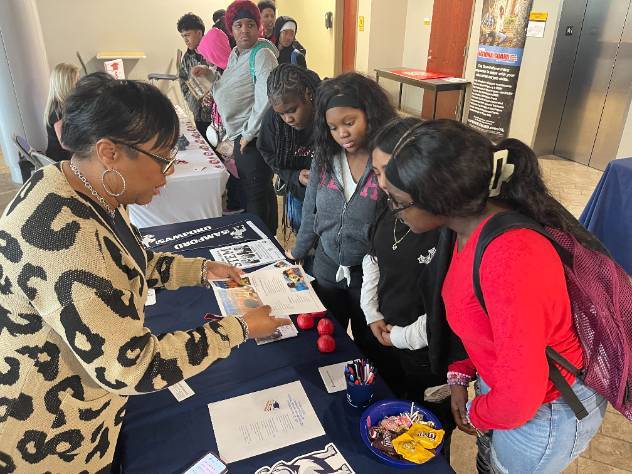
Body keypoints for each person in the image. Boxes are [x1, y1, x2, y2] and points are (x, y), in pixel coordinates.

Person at [0, 72, 290, 472]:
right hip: (52, 432)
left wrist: (201, 270)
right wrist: (239, 329)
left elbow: (131, 259)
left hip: (86, 397)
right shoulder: (71, 246)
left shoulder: (81, 183)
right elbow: (134, 367)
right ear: (109, 152)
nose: (168, 173)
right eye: (162, 159)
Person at [382, 119, 606, 473]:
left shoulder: (511, 258)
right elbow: (477, 320)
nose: (394, 212)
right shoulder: (464, 229)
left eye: (398, 203)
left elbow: (519, 399)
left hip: (544, 411)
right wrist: (459, 373)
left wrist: (477, 411)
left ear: (439, 201)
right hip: (505, 387)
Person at [361, 117, 460, 462]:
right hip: (385, 338)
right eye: (376, 171)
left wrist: (401, 337)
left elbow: (443, 314)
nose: (383, 182)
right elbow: (372, 259)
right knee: (387, 424)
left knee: (426, 436)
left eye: (390, 170)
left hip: (424, 355)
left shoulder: (444, 228)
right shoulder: (387, 205)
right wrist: (372, 313)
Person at [289, 72, 396, 357]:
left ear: (371, 115)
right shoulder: (326, 157)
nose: (342, 134)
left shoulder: (387, 163)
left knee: (369, 348)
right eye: (333, 127)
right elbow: (311, 209)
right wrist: (297, 251)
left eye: (350, 123)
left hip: (369, 280)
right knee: (327, 340)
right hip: (326, 269)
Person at [193, 0, 279, 234]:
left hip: (253, 137)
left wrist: (248, 135)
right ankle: (267, 239)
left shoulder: (262, 55)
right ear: (231, 29)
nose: (244, 30)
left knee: (256, 194)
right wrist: (209, 75)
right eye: (238, 25)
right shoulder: (236, 53)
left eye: (250, 24)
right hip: (241, 134)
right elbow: (230, 85)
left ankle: (261, 242)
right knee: (259, 190)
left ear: (258, 27)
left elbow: (266, 99)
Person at [258, 64, 320, 238]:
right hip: (299, 193)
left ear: (308, 94)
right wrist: (294, 175)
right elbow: (267, 152)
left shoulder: (328, 111)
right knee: (304, 239)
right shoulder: (272, 120)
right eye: (282, 114)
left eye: (292, 110)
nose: (288, 119)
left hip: (332, 197)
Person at [177, 13, 212, 138]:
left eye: (187, 35)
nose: (185, 40)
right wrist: (193, 104)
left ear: (199, 32)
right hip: (198, 114)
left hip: (216, 116)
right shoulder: (187, 58)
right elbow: (183, 82)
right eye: (183, 36)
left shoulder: (213, 53)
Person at [43, 63, 80, 162]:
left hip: (66, 158)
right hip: (61, 162)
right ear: (66, 85)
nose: (78, 86)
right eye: (76, 82)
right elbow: (65, 143)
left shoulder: (62, 105)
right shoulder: (58, 111)